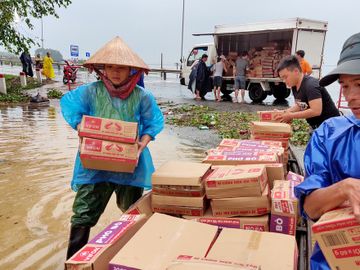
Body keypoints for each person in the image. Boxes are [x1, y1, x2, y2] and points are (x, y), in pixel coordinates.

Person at [60, 36, 164, 259]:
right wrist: (81, 126)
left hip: (130, 166)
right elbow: (69, 104)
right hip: (94, 167)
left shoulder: (142, 97)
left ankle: (130, 260)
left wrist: (141, 144)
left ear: (130, 70)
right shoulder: (91, 92)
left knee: (132, 214)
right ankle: (74, 263)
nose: (115, 72)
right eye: (110, 66)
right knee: (82, 215)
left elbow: (153, 123)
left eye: (121, 67)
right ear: (103, 69)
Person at [294, 32, 360, 270]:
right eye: (345, 86)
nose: (351, 97)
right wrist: (345, 187)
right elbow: (310, 208)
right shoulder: (329, 134)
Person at [275, 55, 340, 130]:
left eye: (285, 77)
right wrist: (284, 112)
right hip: (318, 127)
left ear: (296, 71)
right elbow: (301, 105)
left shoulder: (310, 85)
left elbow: (316, 111)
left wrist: (291, 116)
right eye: (282, 78)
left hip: (331, 127)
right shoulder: (294, 85)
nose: (284, 81)